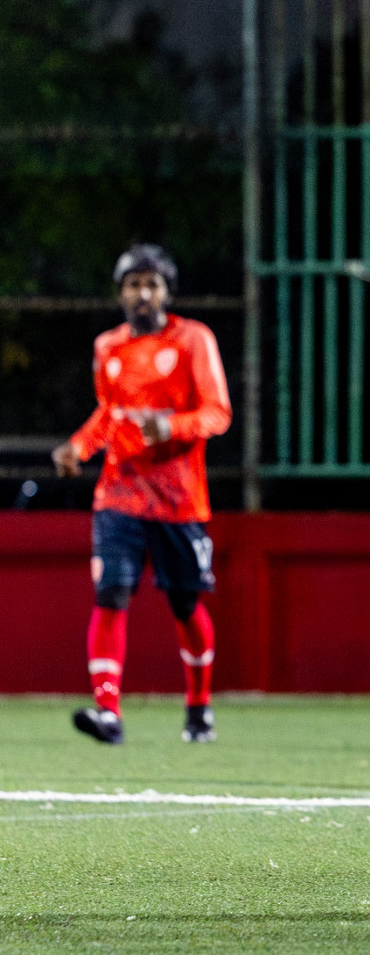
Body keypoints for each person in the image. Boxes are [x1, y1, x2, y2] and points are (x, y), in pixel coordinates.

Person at [52, 244, 232, 745]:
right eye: (133, 284)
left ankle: (199, 707)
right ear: (121, 293)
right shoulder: (107, 346)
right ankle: (108, 711)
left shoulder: (195, 339)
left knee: (184, 606)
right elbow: (109, 414)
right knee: (110, 595)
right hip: (119, 495)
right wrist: (78, 447)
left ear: (166, 292)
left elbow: (218, 414)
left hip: (178, 498)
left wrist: (170, 426)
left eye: (152, 284)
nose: (142, 294)